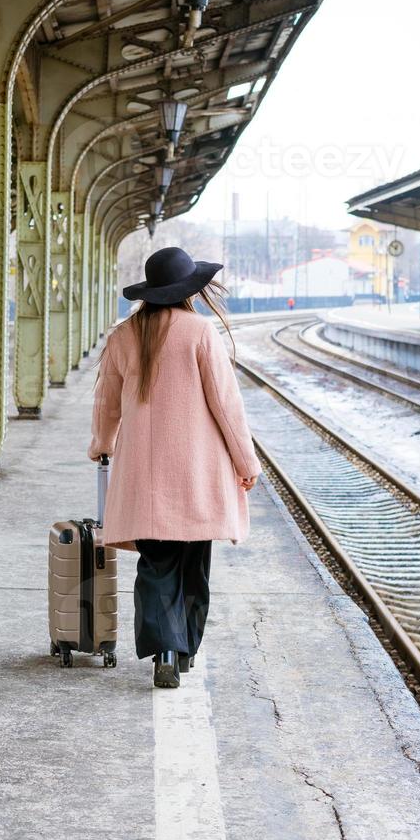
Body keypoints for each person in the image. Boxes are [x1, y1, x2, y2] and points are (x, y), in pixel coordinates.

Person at [89, 246, 260, 689]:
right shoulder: (200, 332)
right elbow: (226, 405)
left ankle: (163, 648)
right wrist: (246, 462)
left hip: (143, 476)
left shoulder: (124, 335)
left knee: (156, 563)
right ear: (188, 290)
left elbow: (106, 401)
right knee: (193, 566)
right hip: (198, 473)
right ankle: (183, 651)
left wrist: (101, 444)